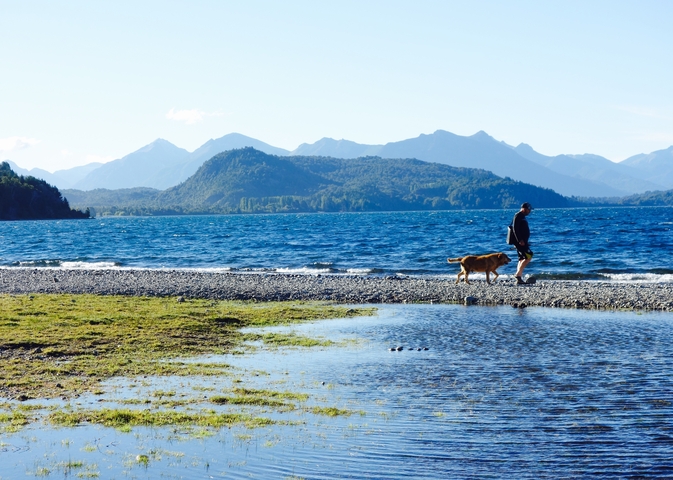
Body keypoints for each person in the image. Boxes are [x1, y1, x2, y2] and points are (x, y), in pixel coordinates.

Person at [511, 202, 534, 284]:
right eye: (528, 210)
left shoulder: (522, 216)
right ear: (524, 209)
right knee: (529, 256)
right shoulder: (518, 216)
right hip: (520, 242)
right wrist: (520, 240)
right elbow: (515, 229)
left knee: (521, 258)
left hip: (523, 242)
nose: (529, 211)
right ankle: (518, 275)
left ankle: (519, 277)